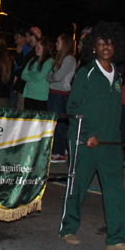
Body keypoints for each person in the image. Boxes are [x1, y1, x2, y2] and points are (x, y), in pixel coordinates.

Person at [58, 21, 125, 250]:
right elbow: (73, 106)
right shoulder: (86, 73)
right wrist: (88, 134)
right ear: (93, 47)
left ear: (116, 47)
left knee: (115, 191)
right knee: (77, 186)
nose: (105, 47)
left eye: (110, 43)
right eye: (101, 43)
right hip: (85, 141)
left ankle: (116, 238)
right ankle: (68, 228)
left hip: (111, 144)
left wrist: (118, 137)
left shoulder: (118, 76)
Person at [47, 33, 76, 162]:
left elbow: (56, 76)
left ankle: (60, 152)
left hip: (60, 95)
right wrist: (52, 77)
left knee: (60, 125)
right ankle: (56, 150)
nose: (56, 44)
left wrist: (52, 77)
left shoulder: (69, 59)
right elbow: (50, 76)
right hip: (53, 93)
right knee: (54, 123)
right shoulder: (59, 58)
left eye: (59, 42)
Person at [20, 36, 54, 111]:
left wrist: (30, 75)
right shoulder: (33, 60)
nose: (36, 49)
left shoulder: (49, 61)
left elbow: (40, 76)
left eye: (38, 47)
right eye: (36, 47)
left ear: (45, 48)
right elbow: (23, 75)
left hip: (40, 96)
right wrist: (33, 76)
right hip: (29, 94)